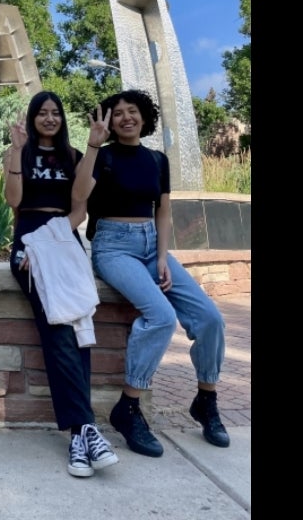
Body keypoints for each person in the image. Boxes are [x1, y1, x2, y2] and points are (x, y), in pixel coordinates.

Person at [73, 89, 230, 457]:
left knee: (210, 318)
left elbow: (163, 211)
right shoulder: (102, 155)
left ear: (145, 117)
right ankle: (128, 406)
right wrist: (92, 147)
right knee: (160, 316)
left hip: (151, 247)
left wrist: (162, 257)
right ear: (109, 122)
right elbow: (78, 198)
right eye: (118, 114)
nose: (126, 118)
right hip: (112, 247)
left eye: (133, 111)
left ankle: (206, 400)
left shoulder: (157, 160)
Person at [3, 91, 119, 478]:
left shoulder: (72, 156)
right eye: (42, 113)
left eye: (55, 113)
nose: (49, 118)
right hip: (30, 246)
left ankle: (78, 435)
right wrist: (18, 154)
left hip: (63, 237)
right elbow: (14, 201)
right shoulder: (17, 152)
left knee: (78, 326)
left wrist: (92, 146)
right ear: (33, 118)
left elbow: (80, 203)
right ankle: (86, 429)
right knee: (56, 327)